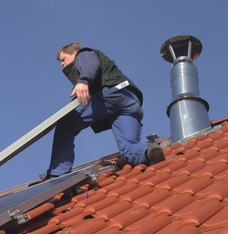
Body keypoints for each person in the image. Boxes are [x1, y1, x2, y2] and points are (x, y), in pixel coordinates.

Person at [45, 42, 165, 178]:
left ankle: (57, 173)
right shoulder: (88, 58)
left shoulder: (83, 54)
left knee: (66, 126)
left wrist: (83, 81)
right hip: (128, 101)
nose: (61, 64)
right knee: (127, 149)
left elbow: (90, 66)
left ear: (73, 53)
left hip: (109, 94)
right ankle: (149, 151)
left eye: (63, 59)